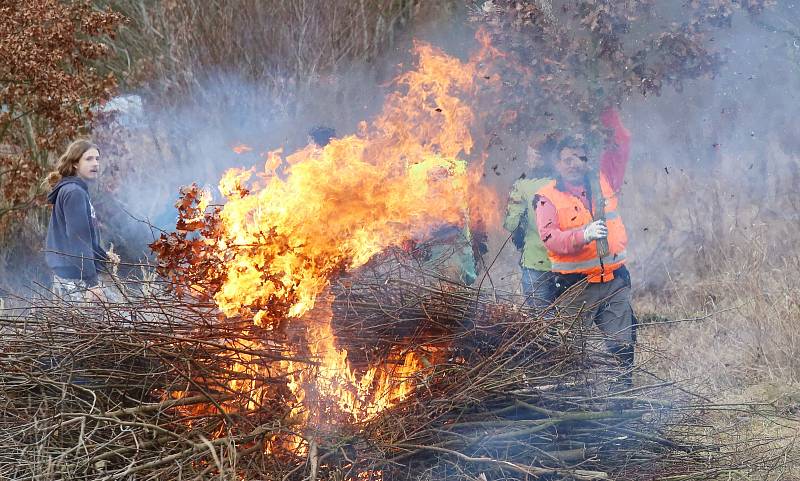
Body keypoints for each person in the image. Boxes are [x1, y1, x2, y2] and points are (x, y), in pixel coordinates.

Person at [533, 107, 635, 387]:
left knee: (622, 348)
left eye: (579, 157)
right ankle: (572, 404)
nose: (574, 164)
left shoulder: (604, 181)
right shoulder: (546, 198)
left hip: (614, 281)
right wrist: (583, 235)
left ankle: (622, 401)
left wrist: (603, 106)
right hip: (573, 288)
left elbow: (620, 143)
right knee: (569, 354)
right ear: (556, 164)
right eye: (567, 159)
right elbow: (551, 239)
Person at [45, 139, 115, 302]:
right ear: (75, 163)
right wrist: (92, 284)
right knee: (119, 320)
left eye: (97, 159)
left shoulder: (74, 190)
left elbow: (84, 236)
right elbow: (78, 240)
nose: (95, 163)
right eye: (89, 159)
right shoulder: (73, 192)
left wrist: (103, 255)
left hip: (74, 273)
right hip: (76, 278)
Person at [504, 138, 557, 311]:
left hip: (536, 262)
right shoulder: (568, 183)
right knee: (568, 319)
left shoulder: (523, 186)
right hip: (569, 264)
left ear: (541, 158)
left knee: (541, 319)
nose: (527, 160)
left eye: (531, 156)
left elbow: (511, 223)